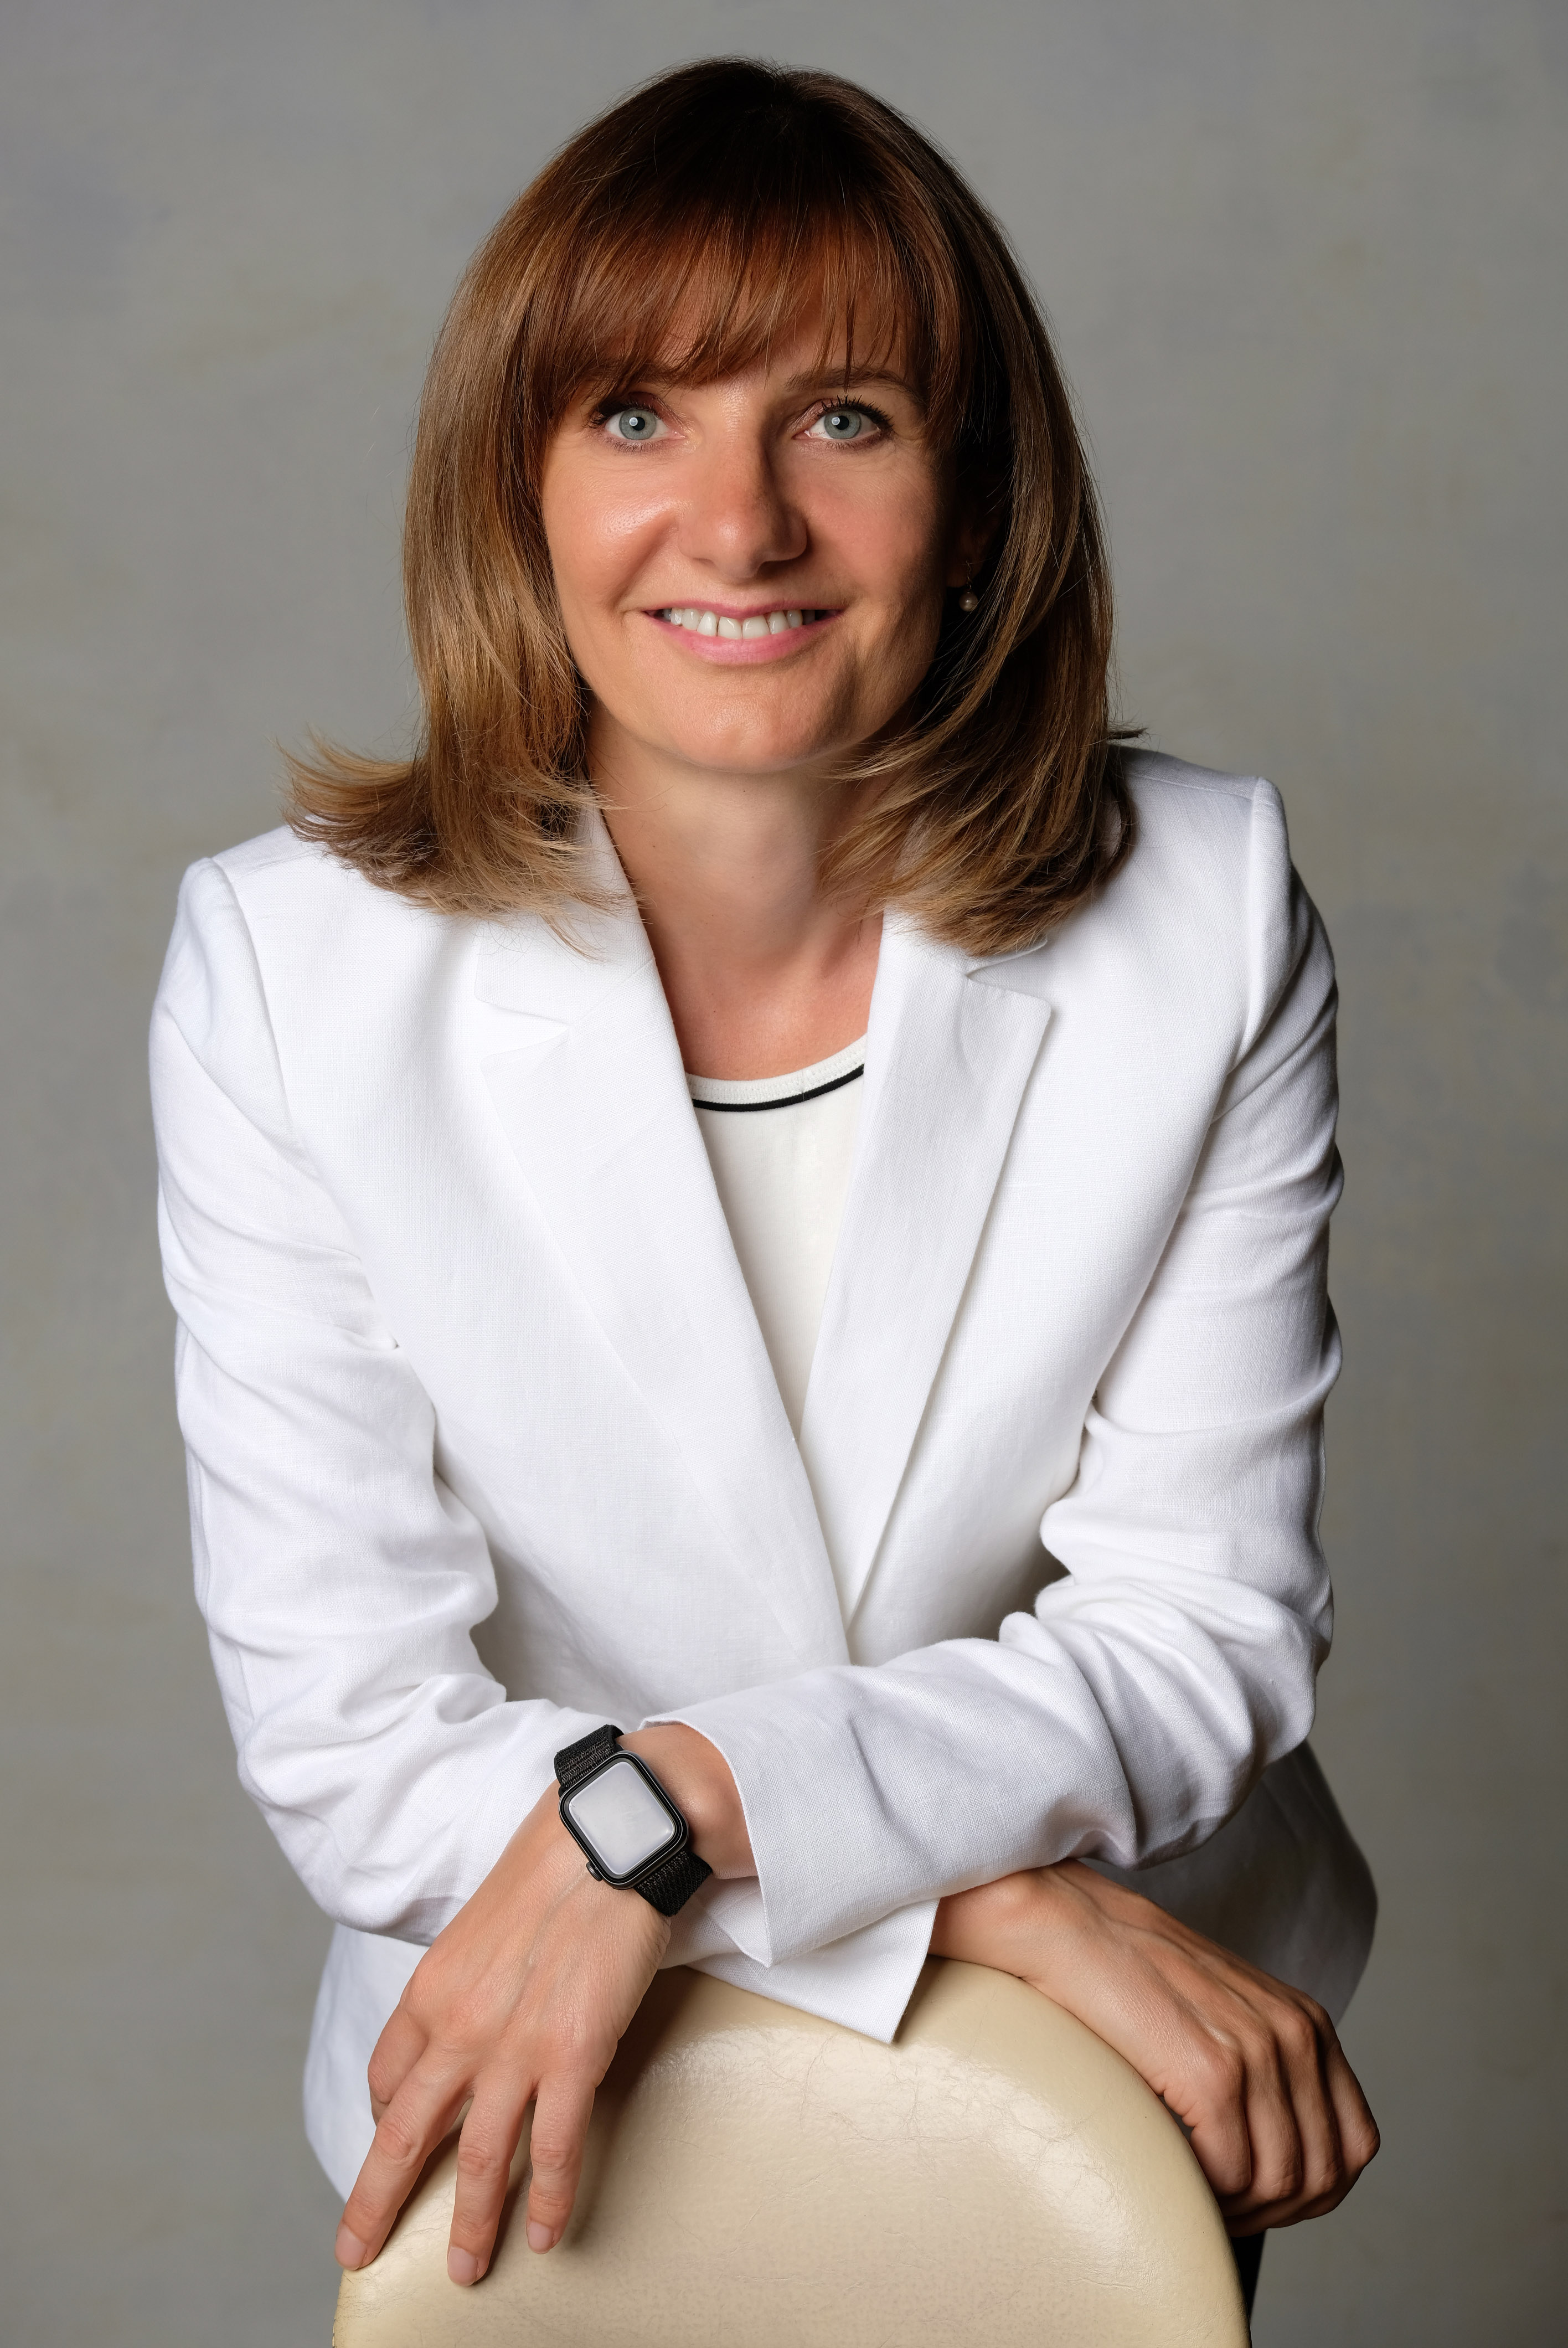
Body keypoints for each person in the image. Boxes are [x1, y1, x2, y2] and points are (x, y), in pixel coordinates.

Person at [149, 58, 1379, 2317]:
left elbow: (1199, 1632)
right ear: (516, 491)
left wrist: (697, 1802)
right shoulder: (289, 972)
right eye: (636, 416)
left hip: (1085, 2118)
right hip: (555, 2105)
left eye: (844, 420)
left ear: (976, 503)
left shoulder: (1203, 916)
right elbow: (357, 1743)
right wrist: (985, 1893)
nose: (739, 525)